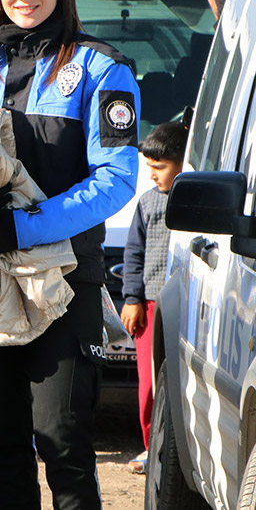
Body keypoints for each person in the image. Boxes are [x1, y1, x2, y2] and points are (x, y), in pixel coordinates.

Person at [0, 0, 140, 510]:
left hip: (64, 281)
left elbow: (116, 180)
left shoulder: (102, 69)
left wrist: (24, 227)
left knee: (63, 443)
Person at [121, 120, 188, 475]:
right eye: (149, 166)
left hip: (191, 305)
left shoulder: (197, 200)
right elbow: (133, 254)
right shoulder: (147, 203)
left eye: (159, 167)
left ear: (184, 161)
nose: (152, 175)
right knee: (148, 385)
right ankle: (152, 447)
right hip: (149, 307)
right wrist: (131, 298)